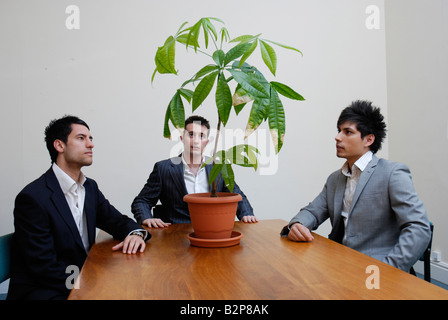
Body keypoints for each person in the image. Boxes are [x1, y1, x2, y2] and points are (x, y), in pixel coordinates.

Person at [8, 116, 149, 300]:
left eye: (91, 139)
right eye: (81, 138)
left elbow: (116, 221)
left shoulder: (89, 188)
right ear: (59, 145)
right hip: (44, 290)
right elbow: (44, 267)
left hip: (79, 280)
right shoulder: (33, 198)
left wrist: (136, 234)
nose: (90, 144)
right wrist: (91, 282)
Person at [281, 100, 431, 272]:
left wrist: (389, 270)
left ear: (368, 139)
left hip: (377, 272)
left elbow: (418, 228)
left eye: (348, 132)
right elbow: (312, 211)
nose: (337, 137)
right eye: (339, 131)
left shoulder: (392, 173)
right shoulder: (335, 179)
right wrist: (297, 225)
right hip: (340, 267)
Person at [132, 115, 257, 228]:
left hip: (211, 231)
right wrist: (146, 218)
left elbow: (237, 195)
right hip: (175, 236)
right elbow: (141, 201)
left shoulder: (217, 167)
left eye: (201, 136)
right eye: (191, 134)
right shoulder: (163, 168)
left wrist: (246, 214)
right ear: (182, 138)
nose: (196, 141)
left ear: (206, 142)